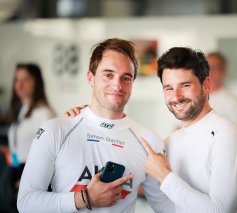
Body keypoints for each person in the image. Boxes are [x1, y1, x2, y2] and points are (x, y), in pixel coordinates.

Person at [17, 38, 173, 213]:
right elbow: (26, 202)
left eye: (126, 78)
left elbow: (167, 208)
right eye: (108, 74)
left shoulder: (149, 141)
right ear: (90, 78)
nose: (117, 84)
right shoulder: (55, 130)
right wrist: (85, 198)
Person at [140, 47, 237, 212]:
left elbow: (218, 210)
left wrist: (164, 176)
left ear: (206, 85)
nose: (176, 96)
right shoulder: (172, 140)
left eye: (185, 85)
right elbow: (171, 207)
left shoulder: (229, 136)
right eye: (169, 88)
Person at [7, 63, 55, 211]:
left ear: (36, 82)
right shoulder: (22, 111)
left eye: (25, 79)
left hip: (30, 174)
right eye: (17, 79)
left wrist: (27, 178)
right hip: (17, 171)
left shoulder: (43, 113)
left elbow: (49, 154)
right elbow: (17, 148)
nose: (19, 84)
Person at [206, 52, 237, 129]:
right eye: (207, 67)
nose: (209, 72)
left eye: (214, 67)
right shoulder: (195, 97)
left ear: (223, 71)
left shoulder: (232, 101)